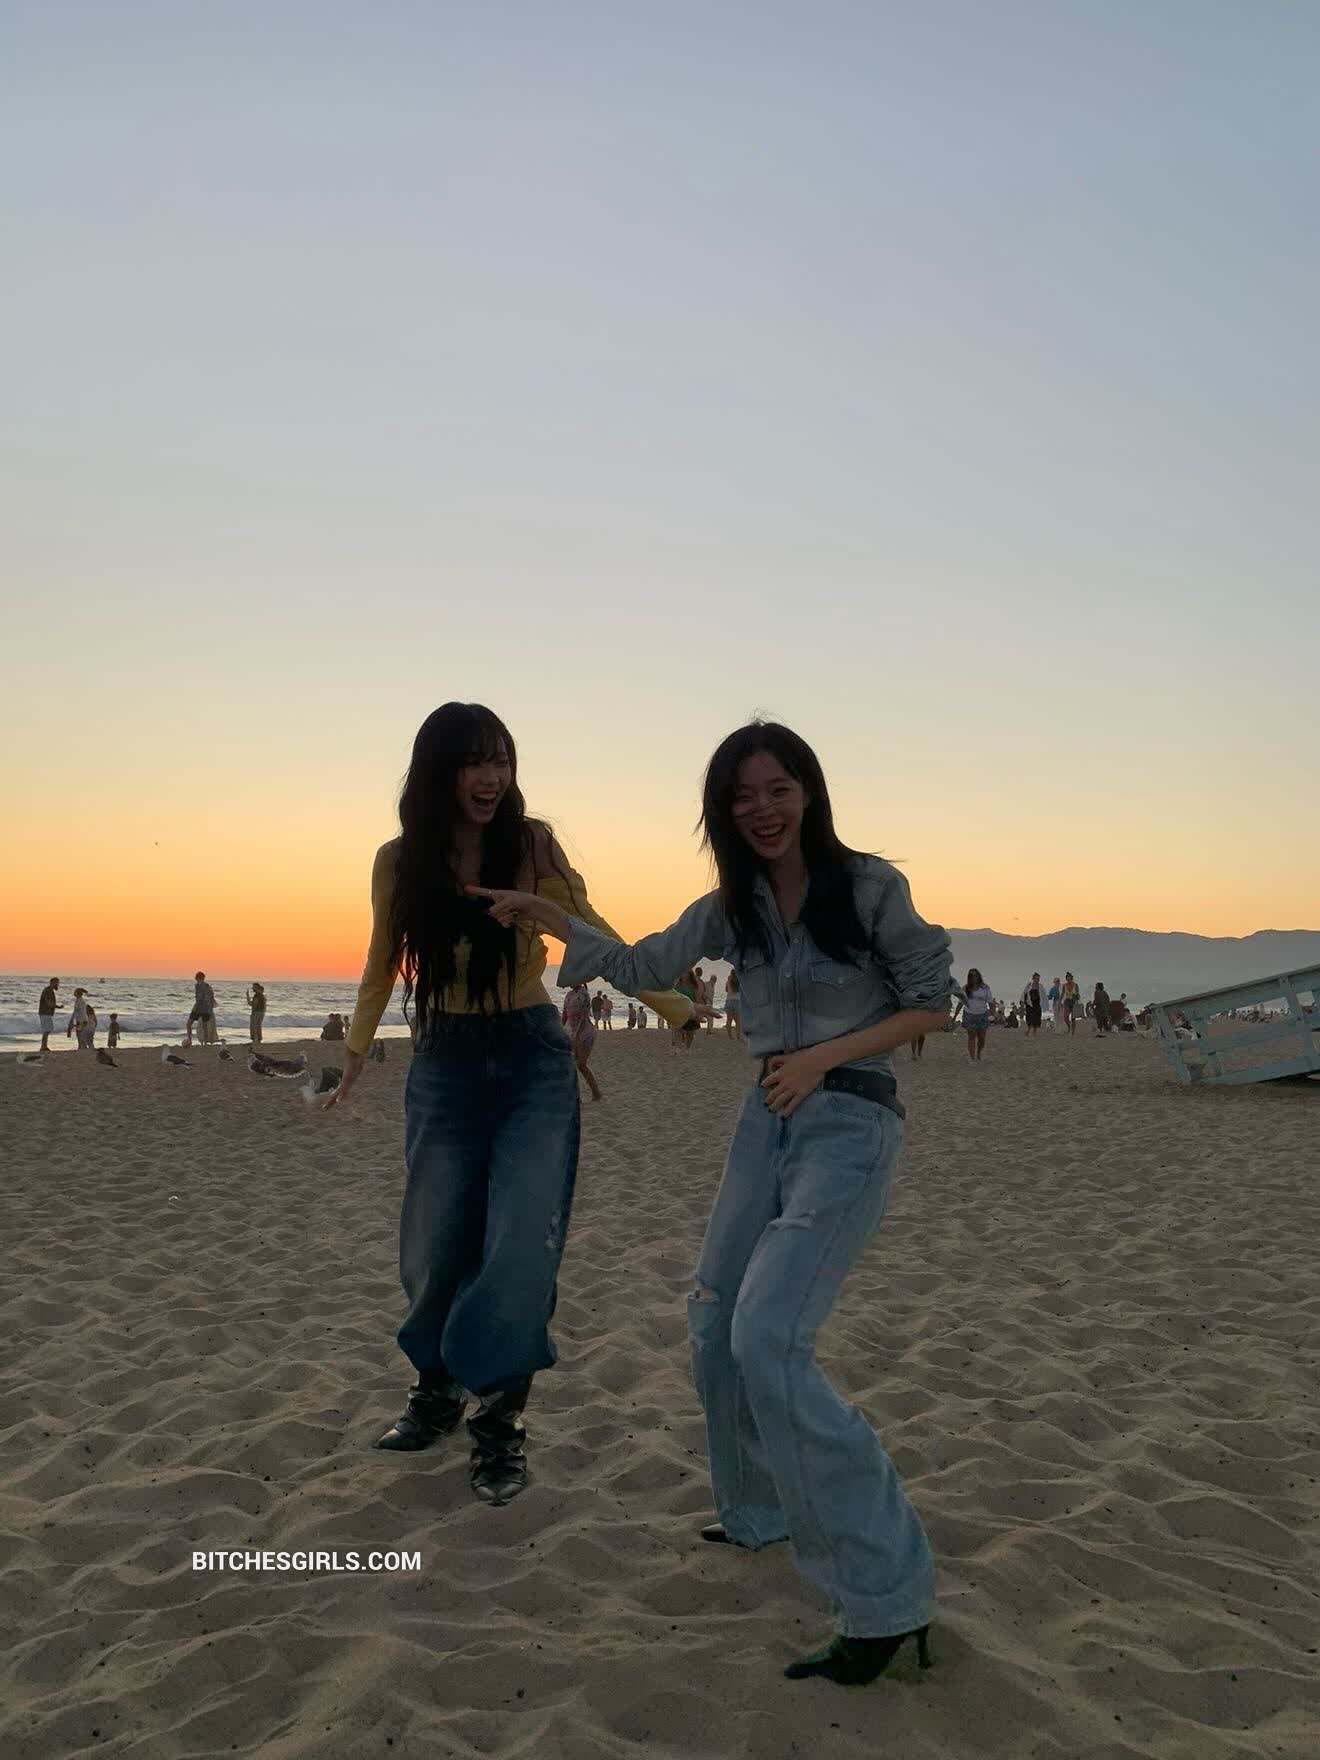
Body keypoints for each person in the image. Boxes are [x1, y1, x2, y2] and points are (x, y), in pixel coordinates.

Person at [468, 719, 951, 1686]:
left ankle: (888, 1596)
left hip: (849, 1120)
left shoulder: (868, 888)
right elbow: (641, 965)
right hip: (764, 1120)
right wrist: (552, 918)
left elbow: (929, 1003)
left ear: (808, 792)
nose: (762, 810)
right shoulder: (732, 905)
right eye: (742, 797)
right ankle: (758, 1511)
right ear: (722, 812)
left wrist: (820, 1057)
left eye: (778, 789)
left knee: (768, 1337)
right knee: (713, 1318)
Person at [322, 703, 691, 1509]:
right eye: (474, 762)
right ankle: (436, 1391)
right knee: (435, 1243)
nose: (491, 778)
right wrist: (353, 1053)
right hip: (443, 1062)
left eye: (502, 760)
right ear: (439, 771)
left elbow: (589, 929)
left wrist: (673, 1005)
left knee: (522, 1241)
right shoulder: (400, 859)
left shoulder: (531, 846)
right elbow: (382, 957)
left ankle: (499, 1419)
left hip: (530, 1059)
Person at [562, 979, 602, 1102]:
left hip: (584, 1032)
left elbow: (583, 1016)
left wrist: (577, 1035)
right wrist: (562, 1031)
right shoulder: (569, 995)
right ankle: (577, 1097)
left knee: (581, 1064)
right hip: (570, 1031)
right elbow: (565, 1014)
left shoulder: (584, 994)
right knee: (573, 1065)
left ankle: (596, 1093)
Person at [962, 968, 993, 1060]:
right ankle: (972, 1058)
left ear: (978, 976)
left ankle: (978, 1053)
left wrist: (993, 1013)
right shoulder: (965, 988)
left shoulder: (985, 988)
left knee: (982, 1039)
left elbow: (990, 1002)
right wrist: (955, 1016)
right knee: (971, 1037)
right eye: (971, 976)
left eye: (975, 975)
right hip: (969, 1014)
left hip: (982, 1014)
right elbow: (961, 1003)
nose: (973, 977)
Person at [186, 972, 216, 1046]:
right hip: (201, 1008)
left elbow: (209, 998)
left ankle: (203, 1042)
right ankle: (191, 1040)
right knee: (191, 1024)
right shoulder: (198, 986)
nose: (198, 981)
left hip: (203, 1009)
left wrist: (209, 1009)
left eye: (199, 979)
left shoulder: (205, 986)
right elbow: (199, 998)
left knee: (202, 1026)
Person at [38, 978, 60, 1053]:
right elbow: (48, 1003)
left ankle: (44, 1046)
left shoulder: (50, 990)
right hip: (45, 1013)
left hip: (47, 1013)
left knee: (47, 1030)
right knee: (46, 1030)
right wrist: (58, 1006)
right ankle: (43, 1047)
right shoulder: (48, 991)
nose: (58, 984)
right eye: (56, 983)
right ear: (52, 983)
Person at [723, 968, 743, 1042]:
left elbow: (726, 990)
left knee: (729, 1020)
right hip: (737, 1001)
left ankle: (730, 1036)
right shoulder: (740, 981)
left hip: (729, 1001)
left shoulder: (728, 981)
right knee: (738, 1021)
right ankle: (738, 1037)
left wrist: (729, 980)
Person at [1023, 972, 1043, 1037]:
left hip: (1037, 1003)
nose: (1038, 980)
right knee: (1030, 1018)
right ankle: (1028, 1031)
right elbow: (1024, 992)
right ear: (1033, 978)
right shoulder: (1029, 985)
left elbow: (1043, 995)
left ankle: (1034, 1032)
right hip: (1030, 1004)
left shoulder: (1040, 986)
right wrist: (1024, 1002)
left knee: (1037, 1018)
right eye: (1037, 978)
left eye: (1038, 979)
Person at [1061, 972, 1081, 1037]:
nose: (1068, 979)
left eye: (1069, 978)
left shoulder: (1076, 985)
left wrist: (1077, 996)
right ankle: (1069, 1027)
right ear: (1066, 978)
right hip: (1067, 1001)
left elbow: (1078, 995)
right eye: (1067, 978)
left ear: (1072, 978)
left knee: (1073, 1018)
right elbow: (1062, 994)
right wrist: (1059, 1002)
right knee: (1065, 1017)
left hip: (1074, 1001)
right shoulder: (1064, 985)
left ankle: (1073, 1032)